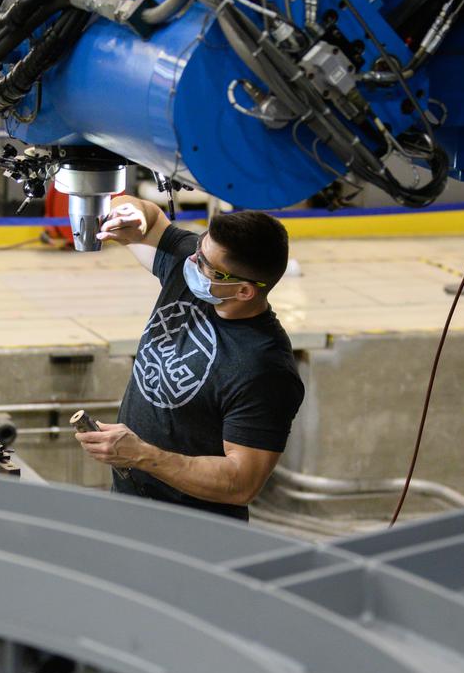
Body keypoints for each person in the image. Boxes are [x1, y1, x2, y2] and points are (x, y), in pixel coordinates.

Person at [73, 196, 304, 521]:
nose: (191, 261)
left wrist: (142, 455)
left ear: (243, 291)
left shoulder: (265, 368)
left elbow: (241, 482)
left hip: (194, 531)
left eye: (204, 264)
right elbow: (153, 222)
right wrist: (134, 214)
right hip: (130, 504)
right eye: (198, 248)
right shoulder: (193, 270)